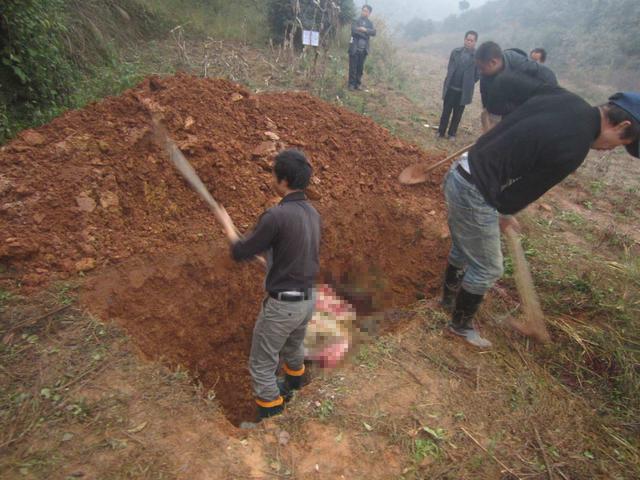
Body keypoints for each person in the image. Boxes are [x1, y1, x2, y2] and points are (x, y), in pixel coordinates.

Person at [440, 74, 640, 348]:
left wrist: (502, 126)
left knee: (466, 246)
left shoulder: (563, 97)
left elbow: (509, 84)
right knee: (488, 267)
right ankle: (459, 326)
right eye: (620, 145)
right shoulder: (577, 145)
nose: (608, 151)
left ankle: (448, 299)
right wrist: (505, 211)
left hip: (460, 172)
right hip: (475, 189)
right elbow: (527, 189)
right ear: (623, 125)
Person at [219, 149, 321, 422]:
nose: (271, 176)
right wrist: (271, 264)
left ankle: (272, 421)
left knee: (262, 365)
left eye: (273, 173)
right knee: (293, 347)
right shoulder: (312, 214)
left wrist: (227, 225)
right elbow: (297, 253)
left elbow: (240, 252)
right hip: (307, 298)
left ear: (284, 181)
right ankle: (295, 388)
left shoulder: (276, 216)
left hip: (283, 306)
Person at [476, 41, 558, 130]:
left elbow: (548, 76)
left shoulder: (519, 63)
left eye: (482, 68)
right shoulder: (485, 78)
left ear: (493, 62)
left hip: (532, 110)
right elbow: (488, 107)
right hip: (510, 115)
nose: (480, 72)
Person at [437, 30, 480, 140]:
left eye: (472, 40)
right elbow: (450, 68)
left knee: (457, 114)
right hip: (451, 88)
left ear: (475, 42)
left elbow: (477, 75)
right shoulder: (455, 52)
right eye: (467, 39)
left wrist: (468, 82)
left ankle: (452, 134)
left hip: (463, 91)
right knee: (446, 111)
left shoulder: (477, 57)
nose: (469, 42)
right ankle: (440, 132)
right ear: (464, 39)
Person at [348, 5, 376, 91]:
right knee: (353, 67)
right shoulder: (356, 20)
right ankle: (351, 85)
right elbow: (354, 31)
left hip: (364, 49)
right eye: (363, 10)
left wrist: (364, 30)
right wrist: (366, 34)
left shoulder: (370, 23)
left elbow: (374, 32)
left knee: (360, 68)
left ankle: (358, 84)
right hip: (354, 48)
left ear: (369, 13)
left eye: (366, 11)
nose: (364, 12)